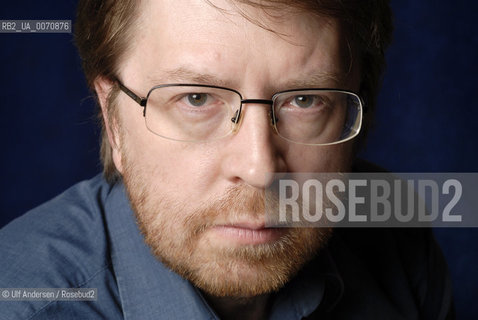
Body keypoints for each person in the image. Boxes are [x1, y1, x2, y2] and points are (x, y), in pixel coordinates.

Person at [0, 0, 454, 319]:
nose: (259, 170)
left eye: (306, 100)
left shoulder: (397, 240)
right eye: (196, 98)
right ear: (112, 119)